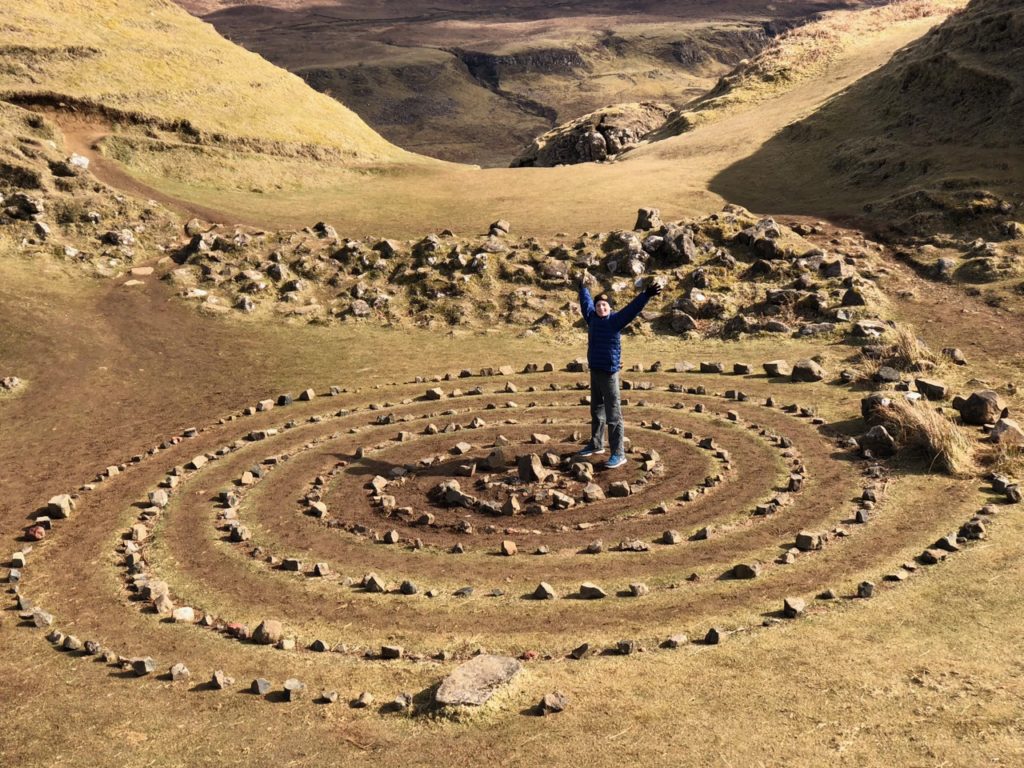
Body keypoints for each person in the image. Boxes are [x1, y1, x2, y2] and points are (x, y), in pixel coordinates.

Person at [576, 275, 662, 469]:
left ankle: (618, 454)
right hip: (595, 370)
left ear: (610, 308)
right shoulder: (591, 318)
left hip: (609, 373)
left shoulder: (615, 321)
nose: (601, 308)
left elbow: (632, 309)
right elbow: (585, 303)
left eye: (604, 306)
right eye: (599, 306)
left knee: (613, 415)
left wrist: (645, 295)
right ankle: (596, 444)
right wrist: (582, 288)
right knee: (596, 409)